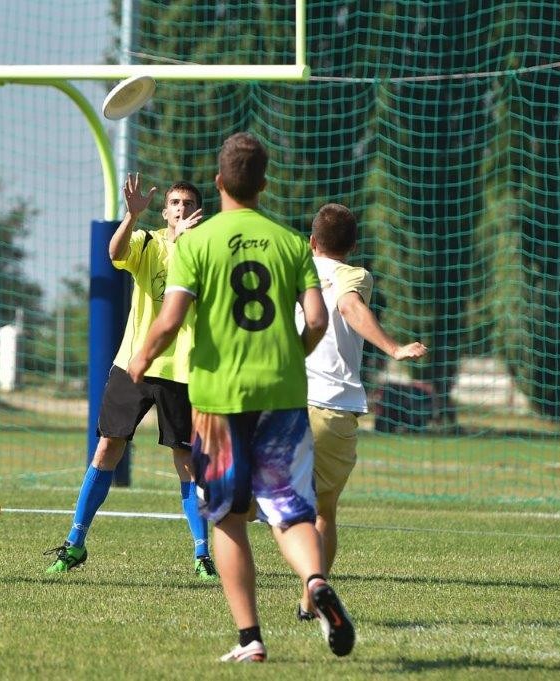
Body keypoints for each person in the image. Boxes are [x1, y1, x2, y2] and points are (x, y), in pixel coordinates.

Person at [127, 133, 355, 662]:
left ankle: (250, 638)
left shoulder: (197, 243)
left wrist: (141, 358)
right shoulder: (291, 243)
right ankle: (315, 581)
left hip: (218, 398)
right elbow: (316, 319)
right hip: (282, 393)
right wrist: (292, 355)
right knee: (291, 513)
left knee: (228, 519)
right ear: (264, 184)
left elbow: (171, 318)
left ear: (218, 183)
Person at [45, 174, 216, 579]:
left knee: (187, 462)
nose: (181, 209)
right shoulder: (148, 241)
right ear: (165, 211)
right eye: (174, 203)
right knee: (107, 448)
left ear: (199, 212)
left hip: (181, 369)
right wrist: (131, 216)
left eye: (188, 203)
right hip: (133, 364)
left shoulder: (207, 252)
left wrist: (186, 242)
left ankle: (202, 554)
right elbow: (115, 252)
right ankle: (75, 543)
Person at [296, 202, 428, 619]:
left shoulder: (292, 269)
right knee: (323, 511)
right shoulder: (353, 275)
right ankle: (311, 597)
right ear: (353, 246)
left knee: (267, 503)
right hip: (331, 408)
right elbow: (350, 306)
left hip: (282, 402)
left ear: (312, 241)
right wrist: (394, 348)